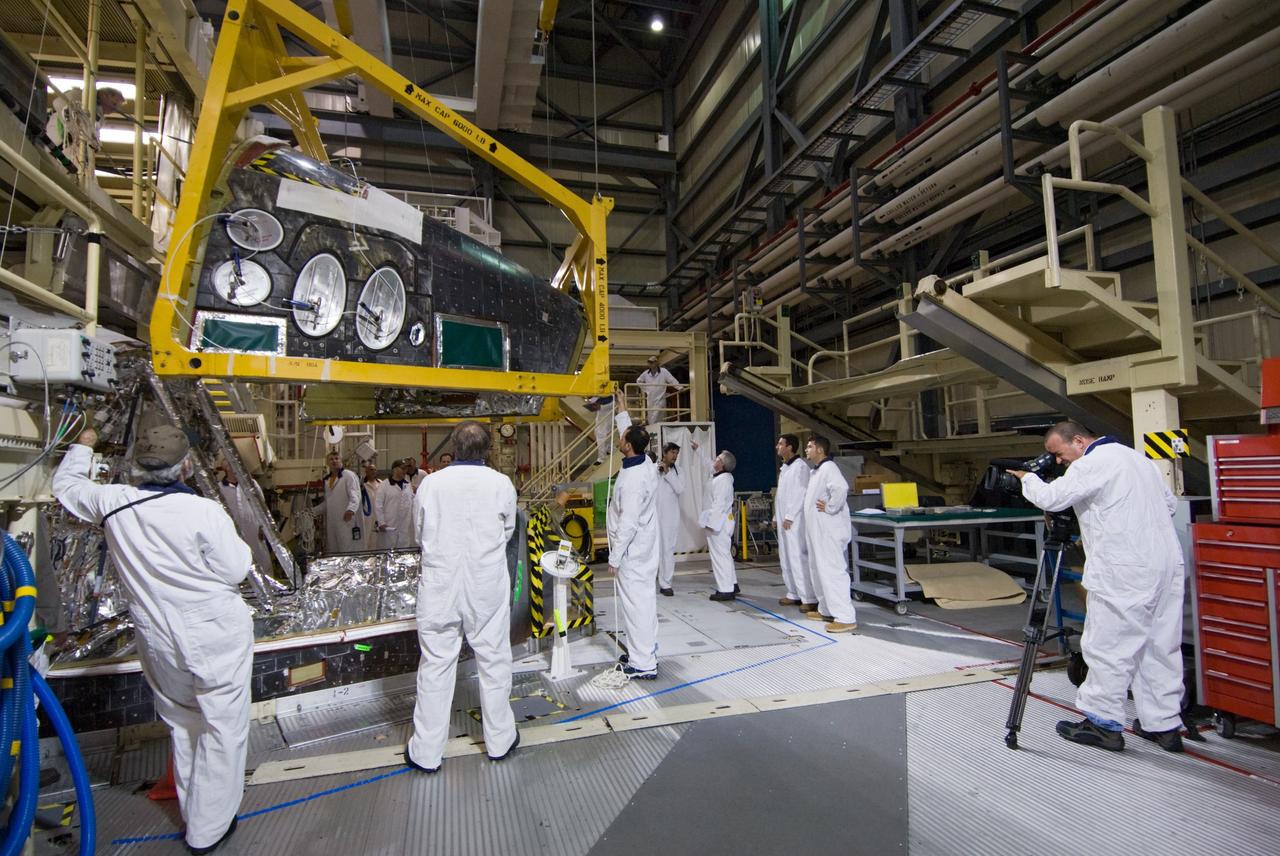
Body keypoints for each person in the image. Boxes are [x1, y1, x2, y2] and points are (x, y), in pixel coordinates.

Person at [53, 425, 251, 854]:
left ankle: (196, 809)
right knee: (223, 724)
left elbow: (66, 487)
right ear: (186, 467)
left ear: (135, 466)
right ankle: (209, 828)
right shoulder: (203, 512)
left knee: (183, 721)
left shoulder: (114, 503)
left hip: (157, 633)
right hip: (214, 631)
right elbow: (236, 569)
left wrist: (83, 446)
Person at [1010, 420, 1186, 753]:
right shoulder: (1138, 460)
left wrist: (1027, 478)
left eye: (1058, 453)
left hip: (1124, 570)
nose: (1058, 461)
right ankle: (1163, 725)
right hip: (1165, 565)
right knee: (1159, 645)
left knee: (1108, 645)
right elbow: (1169, 505)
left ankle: (1103, 724)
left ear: (1078, 441)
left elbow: (1052, 497)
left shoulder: (1092, 463)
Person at [405, 421, 519, 772]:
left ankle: (426, 752)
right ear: (488, 450)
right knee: (494, 658)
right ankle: (500, 740)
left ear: (453, 447)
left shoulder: (431, 484)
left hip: (440, 584)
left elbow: (418, 531)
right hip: (485, 582)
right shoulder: (501, 484)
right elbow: (508, 530)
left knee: (436, 662)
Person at [608, 425, 662, 679]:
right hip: (644, 547)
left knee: (636, 605)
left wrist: (614, 558)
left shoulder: (633, 481)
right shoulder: (645, 463)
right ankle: (645, 651)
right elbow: (633, 435)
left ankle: (642, 663)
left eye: (622, 437)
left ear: (628, 446)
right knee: (645, 601)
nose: (619, 438)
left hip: (632, 551)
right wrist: (621, 412)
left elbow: (628, 523)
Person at [802, 436, 858, 633]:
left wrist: (830, 507)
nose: (806, 450)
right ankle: (826, 609)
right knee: (818, 570)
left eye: (809, 446)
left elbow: (841, 488)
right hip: (818, 532)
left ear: (820, 450)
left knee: (832, 571)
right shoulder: (816, 471)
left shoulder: (829, 468)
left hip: (829, 532)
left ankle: (845, 617)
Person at [774, 434, 816, 611]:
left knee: (798, 557)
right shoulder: (785, 468)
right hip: (784, 520)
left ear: (790, 447)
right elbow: (781, 496)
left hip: (795, 521)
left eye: (780, 444)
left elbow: (800, 493)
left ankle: (808, 597)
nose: (777, 446)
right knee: (786, 557)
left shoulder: (800, 467)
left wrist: (790, 516)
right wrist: (776, 517)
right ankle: (793, 593)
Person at [215, 461, 273, 576]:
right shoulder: (220, 488)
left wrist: (264, 527)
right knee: (235, 557)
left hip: (254, 528)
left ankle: (268, 581)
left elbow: (262, 505)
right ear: (226, 468)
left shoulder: (251, 484)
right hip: (232, 531)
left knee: (261, 557)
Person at [701, 450, 739, 601]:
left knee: (719, 557)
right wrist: (698, 450)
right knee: (724, 554)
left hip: (719, 524)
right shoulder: (720, 476)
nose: (714, 460)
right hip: (721, 522)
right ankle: (732, 584)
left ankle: (725, 590)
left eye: (717, 458)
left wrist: (712, 523)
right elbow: (708, 464)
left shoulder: (723, 480)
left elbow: (719, 504)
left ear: (722, 464)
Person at [315, 451, 361, 553]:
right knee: (333, 551)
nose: (334, 461)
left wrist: (351, 510)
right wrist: (312, 512)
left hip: (346, 520)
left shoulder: (348, 475)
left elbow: (355, 495)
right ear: (327, 462)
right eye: (331, 459)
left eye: (337, 458)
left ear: (341, 461)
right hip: (332, 522)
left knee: (346, 549)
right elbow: (328, 503)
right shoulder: (328, 480)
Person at [655, 442, 685, 597]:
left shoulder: (679, 471)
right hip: (653, 517)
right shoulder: (654, 468)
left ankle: (666, 584)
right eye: (672, 452)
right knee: (651, 550)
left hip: (669, 518)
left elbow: (680, 489)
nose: (675, 456)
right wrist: (658, 470)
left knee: (667, 550)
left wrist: (668, 473)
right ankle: (650, 578)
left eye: (677, 453)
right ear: (664, 453)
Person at [376, 460, 416, 549]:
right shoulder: (384, 485)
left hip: (405, 526)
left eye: (406, 468)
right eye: (403, 468)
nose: (405, 471)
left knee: (404, 550)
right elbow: (378, 505)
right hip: (389, 525)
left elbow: (412, 502)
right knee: (388, 549)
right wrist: (381, 522)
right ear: (395, 469)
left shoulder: (408, 485)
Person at [635, 356, 680, 427]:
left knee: (659, 414)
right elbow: (638, 381)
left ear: (656, 363)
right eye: (650, 363)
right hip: (650, 399)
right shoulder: (646, 373)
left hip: (660, 397)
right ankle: (652, 428)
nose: (651, 364)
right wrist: (646, 389)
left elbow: (671, 380)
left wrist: (679, 387)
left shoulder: (664, 371)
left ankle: (656, 428)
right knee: (651, 415)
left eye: (652, 362)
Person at [584, 393, 615, 465]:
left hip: (606, 415)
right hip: (602, 415)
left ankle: (601, 458)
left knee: (601, 435)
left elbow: (610, 403)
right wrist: (591, 402)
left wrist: (599, 406)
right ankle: (610, 450)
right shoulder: (603, 395)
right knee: (601, 433)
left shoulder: (608, 396)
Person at [359, 461, 384, 551]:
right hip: (367, 515)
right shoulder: (362, 485)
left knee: (379, 536)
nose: (373, 471)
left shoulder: (381, 483)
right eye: (371, 470)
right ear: (366, 472)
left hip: (379, 514)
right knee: (367, 536)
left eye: (375, 470)